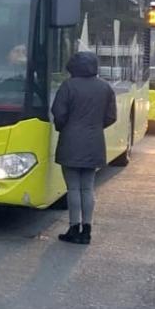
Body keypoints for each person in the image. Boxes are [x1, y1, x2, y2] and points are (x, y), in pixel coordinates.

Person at [50, 51, 117, 245]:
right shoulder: (105, 87)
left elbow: (59, 113)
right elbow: (111, 116)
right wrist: (95, 127)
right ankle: (87, 229)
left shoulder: (68, 86)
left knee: (72, 188)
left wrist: (65, 127)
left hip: (70, 141)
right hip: (95, 141)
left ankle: (73, 227)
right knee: (88, 188)